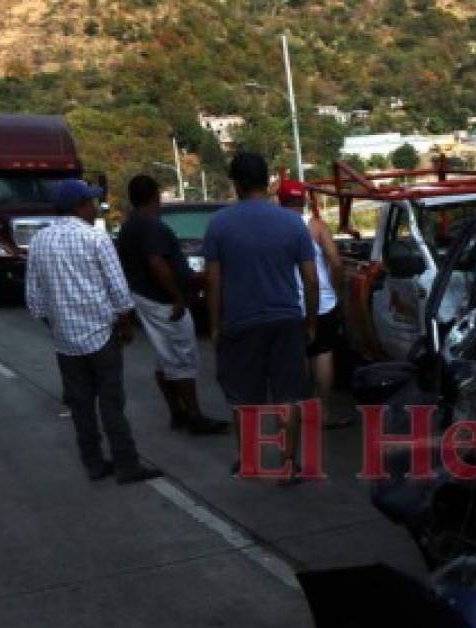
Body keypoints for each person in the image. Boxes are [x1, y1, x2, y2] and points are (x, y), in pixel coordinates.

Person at [25, 178, 162, 484]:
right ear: (79, 206)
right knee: (111, 403)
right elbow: (119, 292)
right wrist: (125, 326)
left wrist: (57, 324)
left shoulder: (38, 242)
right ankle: (127, 465)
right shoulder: (96, 239)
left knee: (81, 406)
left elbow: (34, 301)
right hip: (102, 335)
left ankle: (94, 463)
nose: (95, 207)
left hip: (65, 344)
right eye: (91, 202)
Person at [203, 153, 319, 482]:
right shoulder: (292, 222)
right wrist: (310, 321)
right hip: (285, 320)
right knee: (288, 394)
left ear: (235, 183)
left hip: (240, 321)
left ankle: (249, 460)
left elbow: (213, 281)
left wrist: (214, 325)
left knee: (244, 396)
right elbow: (311, 279)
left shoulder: (219, 224)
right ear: (267, 182)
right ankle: (287, 463)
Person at [116, 174, 229, 435]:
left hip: (147, 298)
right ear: (155, 195)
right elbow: (157, 262)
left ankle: (177, 412)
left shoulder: (130, 226)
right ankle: (194, 415)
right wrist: (177, 296)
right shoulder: (151, 227)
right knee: (182, 357)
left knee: (165, 359)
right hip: (163, 301)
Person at [276, 178, 352, 429]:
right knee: (322, 354)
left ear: (280, 200)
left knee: (292, 360)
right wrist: (338, 290)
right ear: (305, 200)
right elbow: (336, 262)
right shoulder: (316, 226)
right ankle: (324, 413)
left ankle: (292, 415)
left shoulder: (275, 228)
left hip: (287, 303)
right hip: (322, 302)